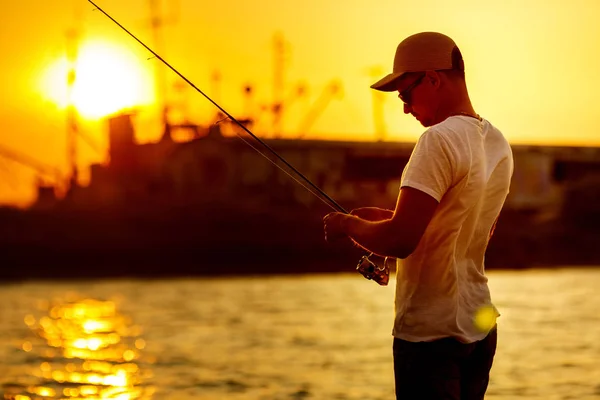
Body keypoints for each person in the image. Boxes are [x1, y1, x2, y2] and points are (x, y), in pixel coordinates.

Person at [323, 32, 514, 400]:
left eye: (405, 94)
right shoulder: (498, 143)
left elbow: (401, 241)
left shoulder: (438, 140)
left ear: (432, 78)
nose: (405, 108)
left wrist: (348, 225)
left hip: (430, 337)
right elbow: (466, 227)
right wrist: (379, 220)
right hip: (480, 327)